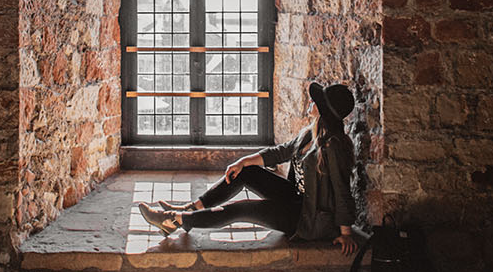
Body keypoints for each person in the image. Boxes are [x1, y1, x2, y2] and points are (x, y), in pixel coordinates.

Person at [136, 82, 361, 255]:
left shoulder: (333, 146)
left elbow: (342, 191)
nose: (311, 104)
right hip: (294, 198)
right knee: (245, 172)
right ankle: (192, 208)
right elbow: (281, 152)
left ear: (323, 111)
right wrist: (244, 161)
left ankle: (175, 219)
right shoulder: (309, 133)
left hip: (305, 217)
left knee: (242, 208)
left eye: (316, 102)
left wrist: (346, 233)